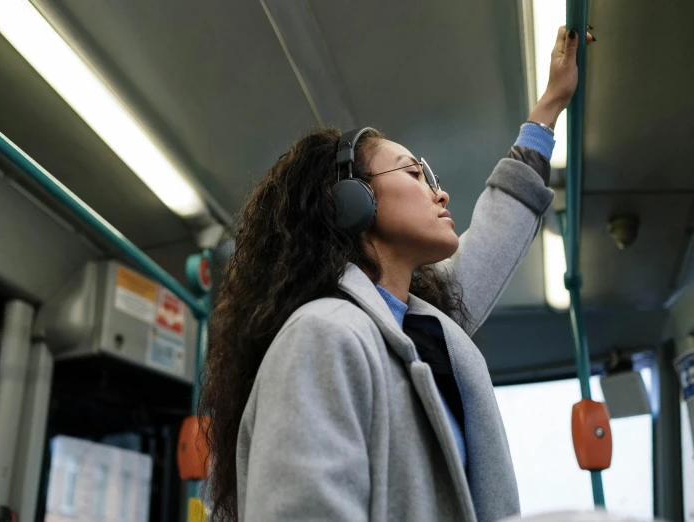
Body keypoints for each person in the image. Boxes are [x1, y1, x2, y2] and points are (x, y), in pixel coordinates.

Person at [199, 26, 594, 522]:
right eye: (413, 174)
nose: (441, 193)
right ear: (351, 204)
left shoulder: (421, 333)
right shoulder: (323, 336)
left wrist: (550, 107)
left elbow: (493, 241)